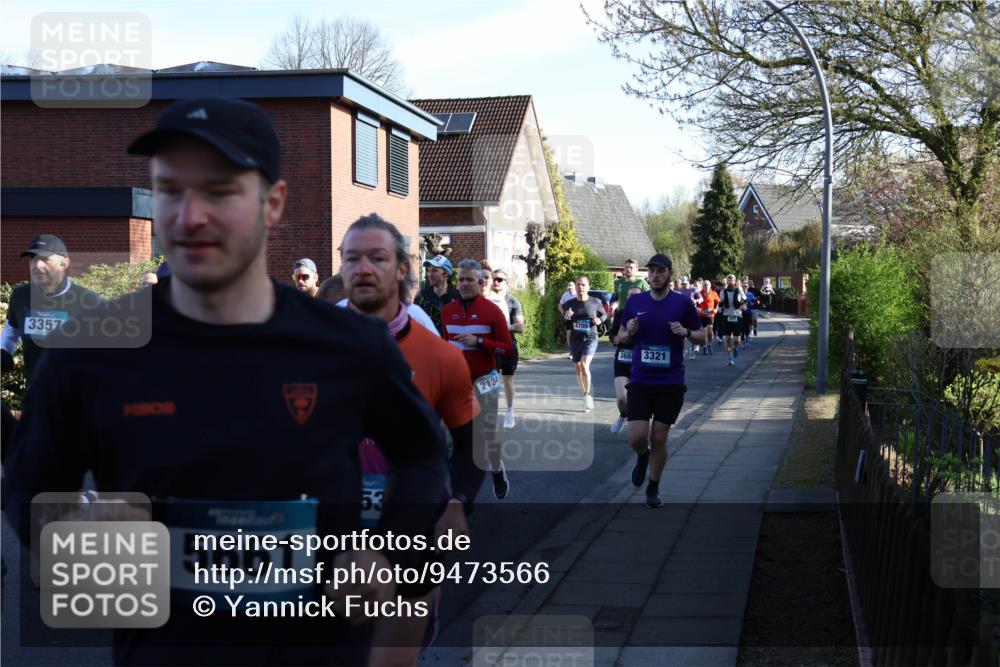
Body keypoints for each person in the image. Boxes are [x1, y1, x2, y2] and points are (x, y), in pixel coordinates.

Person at [2, 97, 448, 665]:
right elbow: (27, 483)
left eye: (218, 192)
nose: (190, 216)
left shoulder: (344, 345)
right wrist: (71, 536)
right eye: (170, 190)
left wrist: (387, 554)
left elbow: (421, 452)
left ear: (273, 204)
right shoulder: (93, 349)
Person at [338, 214, 480, 664]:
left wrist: (459, 502)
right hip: (330, 534)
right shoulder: (310, 349)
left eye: (377, 257)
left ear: (401, 269)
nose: (362, 268)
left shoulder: (440, 356)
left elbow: (471, 444)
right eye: (351, 258)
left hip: (412, 528)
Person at [615, 254, 705, 508]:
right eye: (651, 271)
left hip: (670, 381)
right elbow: (620, 336)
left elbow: (702, 337)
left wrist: (686, 332)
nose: (655, 275)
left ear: (669, 274)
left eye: (660, 271)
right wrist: (628, 332)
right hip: (641, 379)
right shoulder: (636, 302)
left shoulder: (683, 304)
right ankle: (642, 457)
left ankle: (653, 486)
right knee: (636, 437)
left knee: (659, 436)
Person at [442, 260, 514, 500]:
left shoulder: (492, 311)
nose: (463, 284)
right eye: (460, 279)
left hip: (486, 380)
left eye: (469, 280)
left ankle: (496, 470)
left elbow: (507, 349)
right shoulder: (447, 311)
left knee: (487, 435)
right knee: (460, 436)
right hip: (457, 384)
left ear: (480, 282)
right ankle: (460, 492)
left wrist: (480, 342)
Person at [1, 234, 102, 382]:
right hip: (36, 394)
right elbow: (11, 331)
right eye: (33, 259)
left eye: (45, 259)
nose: (37, 265)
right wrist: (3, 351)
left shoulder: (88, 300)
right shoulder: (20, 295)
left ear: (64, 263)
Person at [562, 275, 607, 412]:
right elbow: (566, 322)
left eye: (583, 285)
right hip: (576, 339)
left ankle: (588, 395)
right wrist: (566, 317)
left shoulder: (595, 301)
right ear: (575, 287)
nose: (580, 287)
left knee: (584, 364)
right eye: (578, 285)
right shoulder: (569, 303)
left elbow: (604, 315)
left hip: (591, 337)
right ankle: (585, 396)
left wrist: (599, 320)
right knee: (578, 369)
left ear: (588, 287)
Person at [487, 268, 525, 429]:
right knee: (490, 380)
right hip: (490, 346)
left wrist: (502, 328)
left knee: (507, 378)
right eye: (494, 279)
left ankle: (510, 411)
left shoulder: (512, 301)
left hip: (508, 344)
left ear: (506, 282)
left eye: (500, 279)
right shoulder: (486, 299)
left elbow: (520, 326)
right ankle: (490, 414)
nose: (496, 282)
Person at [609, 286, 641, 434]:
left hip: (640, 362)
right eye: (630, 296)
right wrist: (614, 339)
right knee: (622, 399)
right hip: (622, 358)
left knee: (637, 400)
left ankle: (640, 433)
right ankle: (622, 416)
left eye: (636, 296)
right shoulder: (620, 313)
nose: (632, 299)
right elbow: (613, 333)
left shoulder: (646, 315)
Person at [414, 255, 460, 335]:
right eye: (428, 270)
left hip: (450, 345)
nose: (429, 274)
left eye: (434, 271)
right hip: (427, 342)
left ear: (445, 273)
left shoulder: (458, 297)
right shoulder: (422, 295)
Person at [718, 274, 747, 365]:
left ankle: (735, 348)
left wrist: (743, 306)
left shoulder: (739, 290)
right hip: (726, 316)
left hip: (737, 316)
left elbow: (745, 300)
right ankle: (730, 358)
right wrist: (719, 309)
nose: (730, 282)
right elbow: (721, 303)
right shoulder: (723, 292)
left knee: (737, 340)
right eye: (729, 280)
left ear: (735, 281)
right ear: (726, 281)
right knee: (727, 339)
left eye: (732, 280)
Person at [697, 277, 720, 356]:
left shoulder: (714, 293)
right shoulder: (699, 294)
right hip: (701, 315)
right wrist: (698, 309)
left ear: (710, 286)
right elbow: (696, 304)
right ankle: (705, 346)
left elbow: (717, 302)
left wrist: (716, 309)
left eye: (707, 285)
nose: (706, 286)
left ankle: (709, 344)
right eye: (704, 285)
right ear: (702, 286)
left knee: (710, 331)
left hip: (710, 314)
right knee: (703, 332)